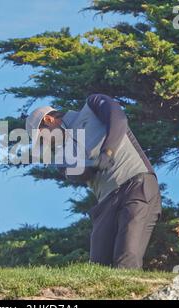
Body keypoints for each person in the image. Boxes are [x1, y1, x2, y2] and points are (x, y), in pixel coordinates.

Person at [26, 94, 162, 269]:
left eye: (43, 137)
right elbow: (76, 174)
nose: (47, 143)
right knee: (99, 267)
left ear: (49, 120)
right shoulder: (62, 155)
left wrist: (108, 152)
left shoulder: (92, 105)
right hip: (106, 201)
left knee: (126, 259)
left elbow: (118, 119)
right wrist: (91, 166)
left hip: (137, 185)